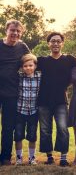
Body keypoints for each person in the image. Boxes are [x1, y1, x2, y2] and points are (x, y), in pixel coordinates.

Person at [37, 32, 76, 166]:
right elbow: (26, 65)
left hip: (61, 100)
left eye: (58, 41)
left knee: (62, 128)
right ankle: (49, 156)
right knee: (45, 129)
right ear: (48, 44)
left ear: (62, 43)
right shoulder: (41, 61)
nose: (55, 43)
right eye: (53, 41)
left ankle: (63, 157)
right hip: (43, 101)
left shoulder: (70, 60)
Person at [0, 19, 30, 165]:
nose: (15, 33)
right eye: (12, 30)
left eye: (18, 31)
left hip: (12, 93)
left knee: (7, 127)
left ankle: (5, 157)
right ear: (6, 30)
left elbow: (31, 61)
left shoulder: (22, 47)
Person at [14, 54, 41, 166]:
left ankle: (31, 158)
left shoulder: (40, 77)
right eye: (25, 66)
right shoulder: (19, 76)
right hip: (20, 110)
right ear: (22, 67)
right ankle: (19, 158)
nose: (28, 68)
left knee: (32, 136)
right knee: (18, 135)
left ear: (35, 66)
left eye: (30, 65)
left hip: (34, 111)